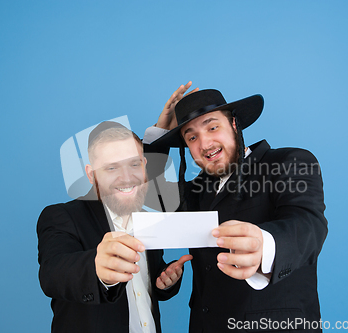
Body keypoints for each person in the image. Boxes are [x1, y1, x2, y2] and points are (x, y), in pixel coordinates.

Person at [145, 83, 328, 332]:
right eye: (191, 137)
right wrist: (158, 134)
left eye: (212, 127)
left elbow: (308, 225)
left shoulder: (288, 162)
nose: (205, 143)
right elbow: (151, 191)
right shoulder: (197, 191)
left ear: (234, 124)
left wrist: (265, 245)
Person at [37, 121, 192, 333]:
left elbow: (146, 287)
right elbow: (53, 273)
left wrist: (165, 281)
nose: (127, 177)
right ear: (92, 175)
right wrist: (98, 270)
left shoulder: (147, 219)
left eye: (134, 164)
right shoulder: (63, 216)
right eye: (112, 167)